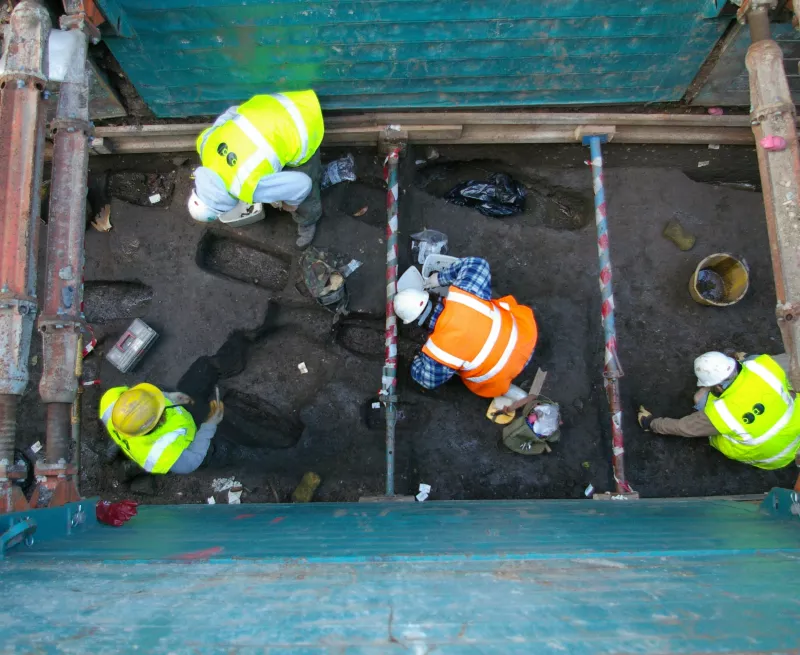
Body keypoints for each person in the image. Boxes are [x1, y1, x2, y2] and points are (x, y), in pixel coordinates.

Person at [187, 90, 325, 248]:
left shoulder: (248, 186)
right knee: (271, 162)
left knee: (306, 192)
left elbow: (302, 184)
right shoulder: (205, 146)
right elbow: (232, 112)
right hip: (277, 103)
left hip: (302, 124)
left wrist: (291, 204)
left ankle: (308, 221)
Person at [394, 257, 538, 398]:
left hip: (500, 377)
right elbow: (478, 264)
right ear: (430, 294)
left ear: (417, 323)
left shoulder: (438, 351)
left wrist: (416, 359)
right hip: (526, 337)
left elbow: (426, 380)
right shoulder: (465, 296)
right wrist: (438, 278)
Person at [638, 351, 800, 470]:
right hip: (795, 435)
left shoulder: (722, 413)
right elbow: (756, 360)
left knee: (700, 399)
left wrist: (651, 423)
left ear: (717, 386)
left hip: (771, 457)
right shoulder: (764, 365)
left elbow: (683, 427)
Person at [99, 383, 224, 475]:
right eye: (160, 410)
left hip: (134, 435)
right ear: (154, 424)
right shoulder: (160, 455)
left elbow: (139, 396)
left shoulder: (111, 399)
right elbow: (192, 461)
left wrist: (168, 396)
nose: (162, 405)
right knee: (213, 452)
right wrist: (209, 426)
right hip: (183, 450)